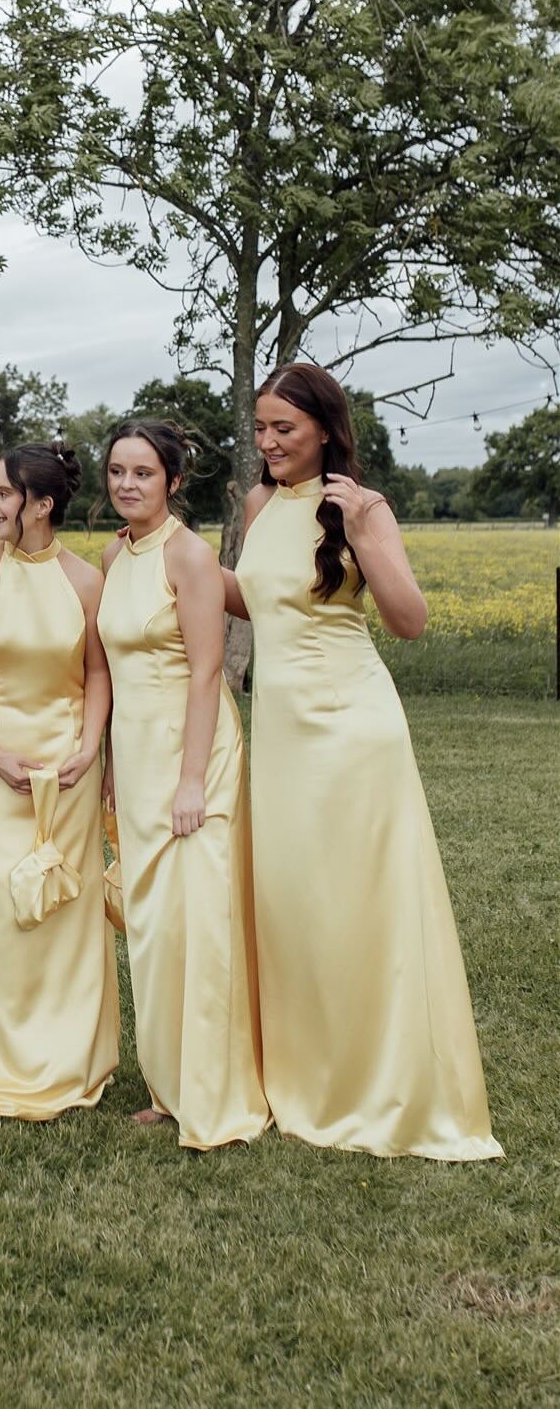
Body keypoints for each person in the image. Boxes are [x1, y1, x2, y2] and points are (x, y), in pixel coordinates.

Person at [226, 363, 502, 1160]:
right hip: (280, 728)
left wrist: (362, 532)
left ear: (323, 429)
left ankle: (378, 1077)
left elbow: (407, 620)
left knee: (358, 900)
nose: (268, 441)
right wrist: (168, 564)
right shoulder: (257, 504)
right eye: (260, 427)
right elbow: (259, 597)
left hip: (352, 727)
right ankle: (304, 1067)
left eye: (283, 428)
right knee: (295, 898)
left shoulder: (363, 504)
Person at [98, 420, 268, 1149]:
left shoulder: (189, 557)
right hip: (134, 755)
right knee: (153, 925)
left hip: (192, 755)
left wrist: (192, 780)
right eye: (115, 472)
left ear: (172, 480)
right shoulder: (113, 553)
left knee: (198, 921)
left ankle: (213, 1089)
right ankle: (168, 1083)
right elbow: (112, 667)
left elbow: (206, 672)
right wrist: (108, 761)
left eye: (141, 473)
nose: (126, 485)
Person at [0, 442, 120, 1119]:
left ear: (41, 506)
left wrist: (88, 747)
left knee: (62, 914)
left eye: (3, 494)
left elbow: (98, 672)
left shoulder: (84, 582)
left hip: (67, 764)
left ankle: (63, 1053)